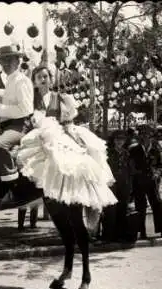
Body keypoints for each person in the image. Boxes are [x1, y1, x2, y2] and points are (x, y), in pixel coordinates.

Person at [16, 65, 117, 212]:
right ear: (34, 82)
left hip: (57, 135)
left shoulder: (60, 98)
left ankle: (76, 196)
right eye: (39, 77)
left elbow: (68, 121)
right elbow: (26, 120)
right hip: (37, 136)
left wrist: (71, 133)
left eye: (46, 76)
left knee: (74, 162)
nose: (43, 80)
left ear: (51, 80)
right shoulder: (31, 100)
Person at [0, 45, 35, 209]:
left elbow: (25, 109)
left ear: (18, 61)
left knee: (0, 145)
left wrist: (0, 109)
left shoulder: (22, 81)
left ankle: (13, 190)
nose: (5, 64)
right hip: (7, 125)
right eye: (3, 61)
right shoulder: (9, 81)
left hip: (21, 125)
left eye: (9, 60)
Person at [128, 124, 162, 239]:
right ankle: (142, 232)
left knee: (158, 205)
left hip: (152, 182)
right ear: (139, 137)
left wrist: (157, 173)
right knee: (140, 207)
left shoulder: (157, 150)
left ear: (151, 136)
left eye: (147, 135)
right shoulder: (133, 149)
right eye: (142, 135)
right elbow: (129, 166)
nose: (145, 137)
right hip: (138, 182)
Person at [101, 130, 136, 242]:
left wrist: (130, 187)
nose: (119, 142)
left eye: (122, 139)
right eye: (117, 139)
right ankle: (108, 236)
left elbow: (131, 171)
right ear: (114, 140)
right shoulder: (108, 153)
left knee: (122, 209)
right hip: (111, 184)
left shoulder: (127, 153)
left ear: (125, 141)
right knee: (110, 210)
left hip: (124, 184)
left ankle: (120, 235)